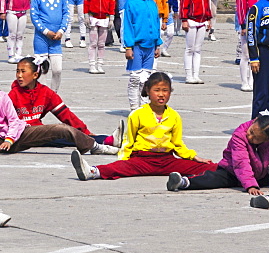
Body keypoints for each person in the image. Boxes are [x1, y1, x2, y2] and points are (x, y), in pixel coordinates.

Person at [70, 72, 216, 181]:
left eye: (165, 90)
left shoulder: (174, 116)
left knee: (207, 167)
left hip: (167, 160)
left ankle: (229, 168)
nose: (161, 95)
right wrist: (124, 159)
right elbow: (129, 141)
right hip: (142, 159)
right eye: (157, 90)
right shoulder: (137, 114)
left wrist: (194, 157)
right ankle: (91, 172)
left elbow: (178, 144)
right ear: (147, 91)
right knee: (119, 168)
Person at [166, 114, 269, 193]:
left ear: (267, 139)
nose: (250, 137)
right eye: (251, 132)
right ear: (254, 121)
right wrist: (251, 186)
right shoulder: (239, 135)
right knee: (212, 178)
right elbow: (241, 163)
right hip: (232, 172)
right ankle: (183, 182)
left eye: (257, 138)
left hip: (260, 175)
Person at [8, 57, 123, 148]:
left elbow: (65, 114)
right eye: (17, 71)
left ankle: (111, 140)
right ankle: (107, 141)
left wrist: (84, 131)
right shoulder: (13, 94)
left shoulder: (46, 93)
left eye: (23, 71)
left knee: (68, 135)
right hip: (21, 134)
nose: (19, 75)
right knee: (63, 133)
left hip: (39, 131)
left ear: (35, 75)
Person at [30, 0, 70, 92]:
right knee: (42, 70)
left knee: (57, 69)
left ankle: (53, 94)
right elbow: (34, 18)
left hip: (56, 39)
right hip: (41, 38)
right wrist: (46, 31)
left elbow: (66, 14)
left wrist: (61, 31)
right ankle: (43, 94)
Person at [179, 0, 212, 84]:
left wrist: (209, 19)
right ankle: (188, 75)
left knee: (198, 49)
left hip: (202, 20)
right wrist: (184, 19)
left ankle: (196, 75)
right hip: (191, 20)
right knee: (190, 49)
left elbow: (207, 3)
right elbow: (184, 3)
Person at [83, 0, 115, 74]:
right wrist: (86, 16)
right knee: (93, 43)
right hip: (93, 17)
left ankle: (100, 64)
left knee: (101, 44)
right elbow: (86, 2)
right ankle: (92, 64)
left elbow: (111, 4)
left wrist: (111, 18)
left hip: (104, 19)